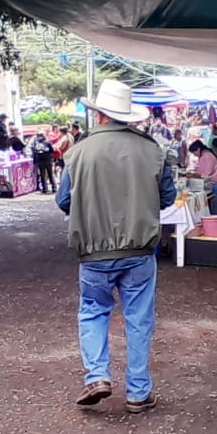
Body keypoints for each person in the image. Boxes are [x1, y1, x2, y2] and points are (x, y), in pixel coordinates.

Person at [55, 80, 176, 414]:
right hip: (140, 251)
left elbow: (63, 200)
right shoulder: (153, 149)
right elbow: (166, 197)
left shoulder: (77, 152)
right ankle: (138, 392)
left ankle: (97, 375)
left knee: (93, 311)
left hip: (93, 252)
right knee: (139, 318)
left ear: (98, 113)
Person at [188, 140, 217, 214]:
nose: (194, 155)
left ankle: (215, 225)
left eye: (194, 152)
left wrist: (192, 175)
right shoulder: (207, 154)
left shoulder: (206, 157)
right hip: (214, 183)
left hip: (213, 185)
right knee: (214, 209)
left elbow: (204, 174)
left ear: (198, 149)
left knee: (214, 210)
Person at [29, 129, 58, 193]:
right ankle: (49, 188)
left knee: (46, 174)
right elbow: (51, 151)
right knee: (45, 174)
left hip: (44, 160)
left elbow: (51, 151)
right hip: (44, 160)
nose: (39, 137)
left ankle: (50, 188)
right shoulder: (39, 142)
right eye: (39, 135)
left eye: (40, 135)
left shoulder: (45, 142)